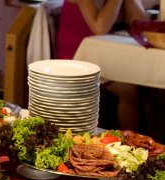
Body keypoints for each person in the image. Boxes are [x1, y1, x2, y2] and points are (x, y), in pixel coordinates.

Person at [55, 0, 149, 131]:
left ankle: (140, 142)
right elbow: (99, 28)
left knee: (143, 83)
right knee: (130, 93)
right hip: (75, 59)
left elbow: (142, 25)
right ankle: (131, 142)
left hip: (99, 56)